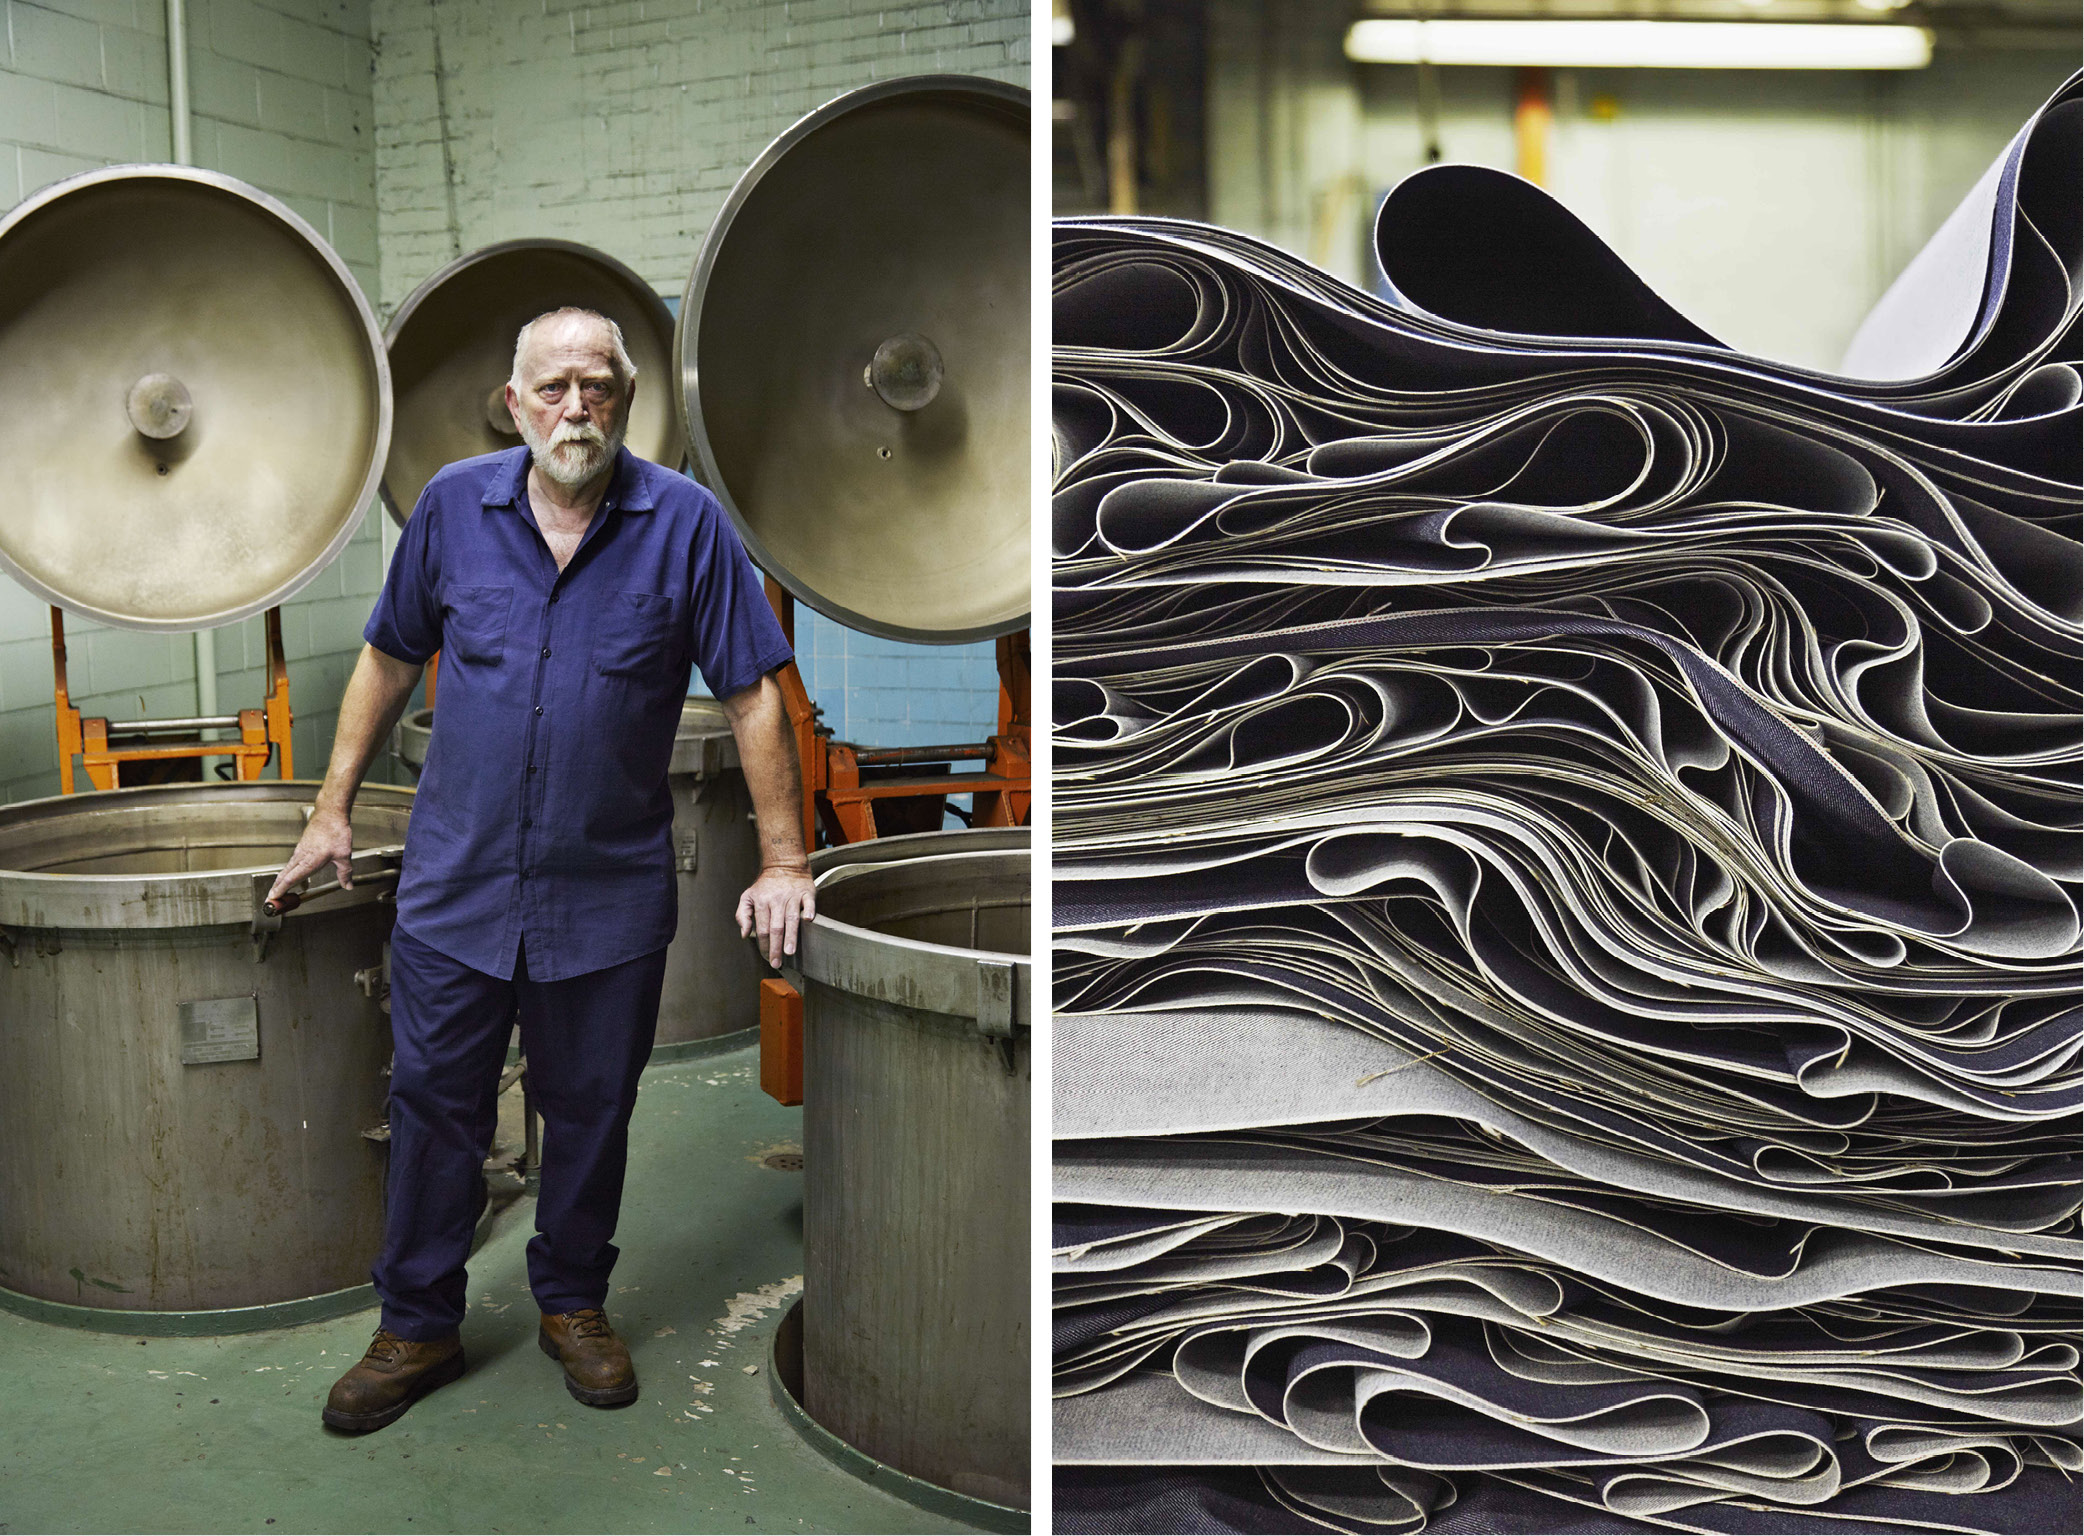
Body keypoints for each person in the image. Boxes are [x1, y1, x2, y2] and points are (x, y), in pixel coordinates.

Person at [270, 307, 816, 1434]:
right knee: (433, 1106)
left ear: (625, 398)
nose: (578, 407)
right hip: (454, 885)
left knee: (588, 1111)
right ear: (514, 403)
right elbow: (387, 656)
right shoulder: (450, 513)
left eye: (599, 386)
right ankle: (416, 1322)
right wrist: (328, 809)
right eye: (554, 387)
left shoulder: (685, 526)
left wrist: (784, 859)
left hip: (604, 894)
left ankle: (571, 1302)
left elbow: (756, 692)